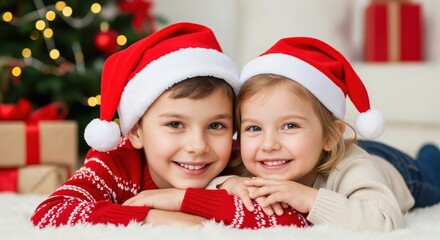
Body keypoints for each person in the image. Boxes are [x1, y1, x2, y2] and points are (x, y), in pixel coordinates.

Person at [30, 22, 309, 229]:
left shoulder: (239, 160)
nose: (198, 146)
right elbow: (51, 212)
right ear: (136, 131)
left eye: (216, 126)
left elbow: (293, 219)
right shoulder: (115, 161)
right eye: (175, 124)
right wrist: (152, 216)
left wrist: (180, 199)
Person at [217, 36, 440, 231]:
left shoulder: (352, 168)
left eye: (290, 126)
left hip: (398, 170)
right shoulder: (252, 162)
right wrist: (227, 183)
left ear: (331, 135)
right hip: (335, 150)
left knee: (433, 171)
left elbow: (384, 220)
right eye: (254, 128)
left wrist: (308, 198)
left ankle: (430, 150)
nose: (269, 144)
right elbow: (198, 184)